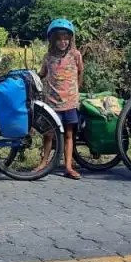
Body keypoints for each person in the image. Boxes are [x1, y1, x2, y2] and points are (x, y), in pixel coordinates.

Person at [37, 19, 84, 179]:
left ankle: (69, 166)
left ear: (70, 39)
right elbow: (42, 74)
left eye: (66, 39)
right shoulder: (48, 57)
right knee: (48, 134)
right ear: (52, 40)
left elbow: (80, 73)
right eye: (59, 39)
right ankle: (44, 163)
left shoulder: (75, 55)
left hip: (70, 102)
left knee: (69, 135)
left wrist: (76, 91)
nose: (63, 42)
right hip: (51, 103)